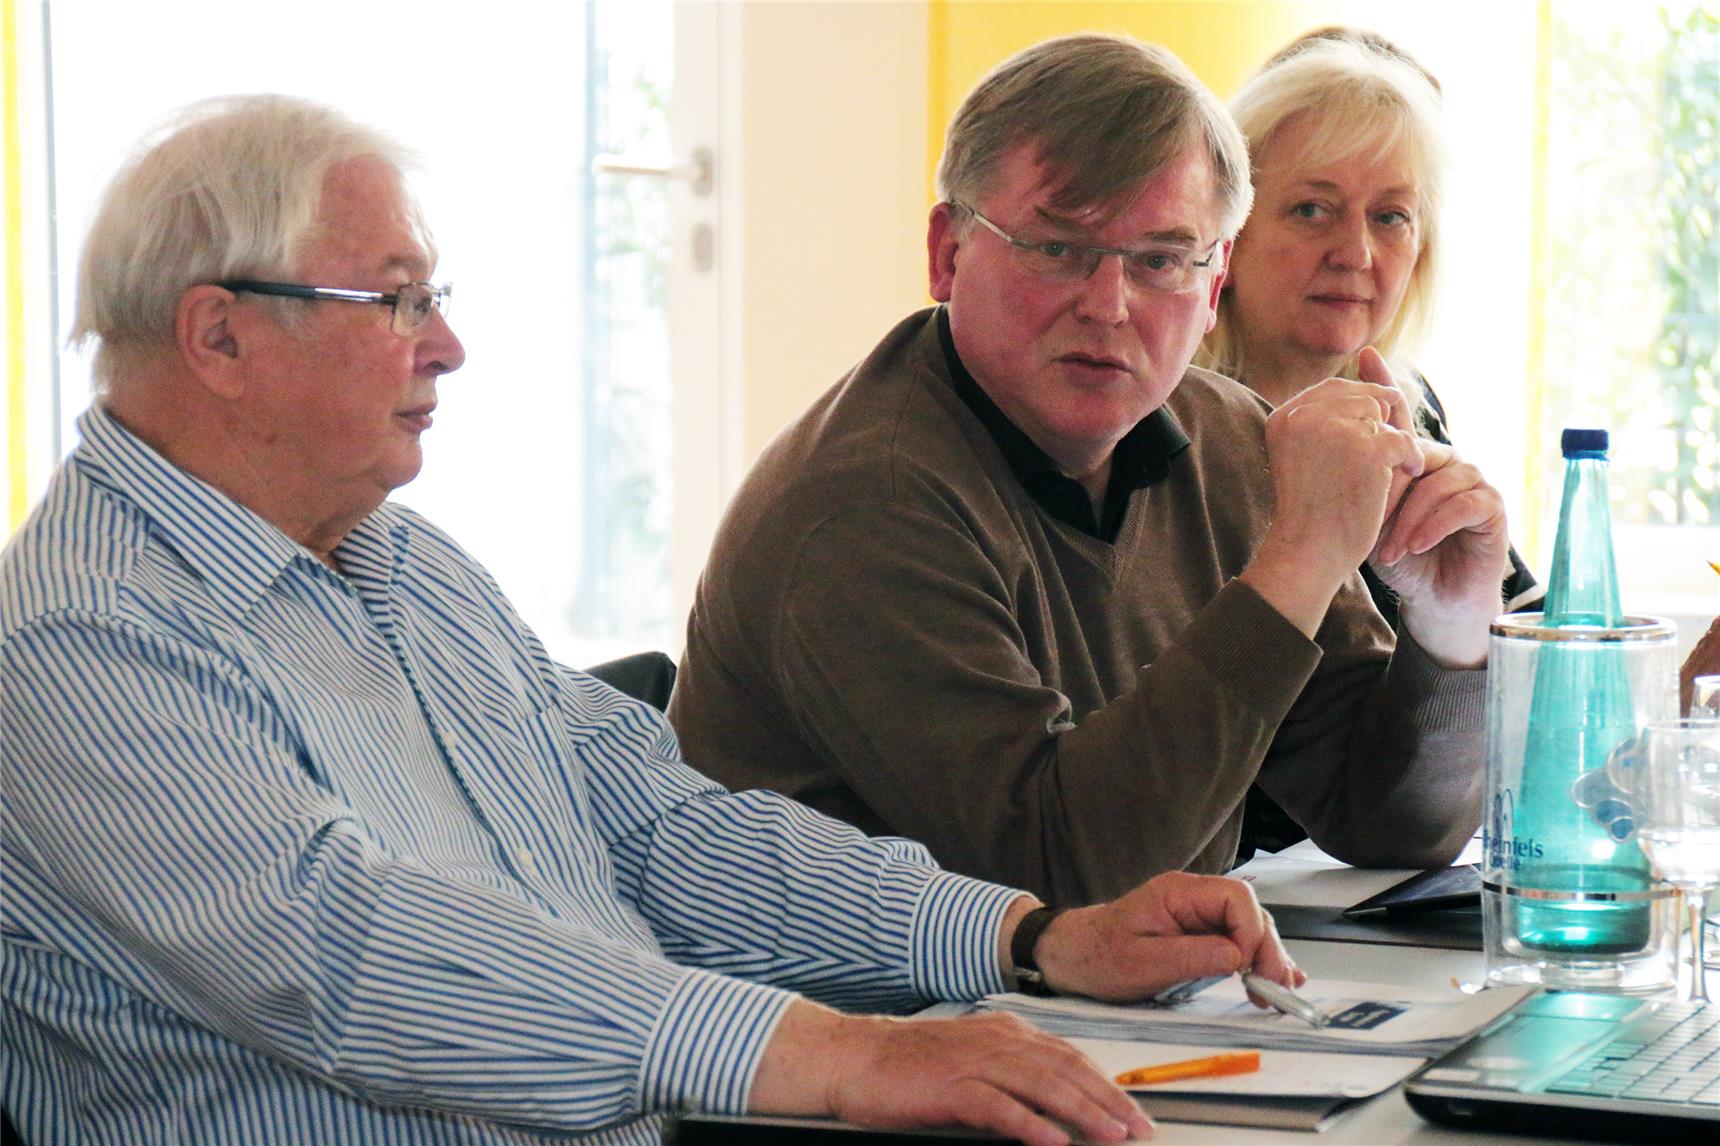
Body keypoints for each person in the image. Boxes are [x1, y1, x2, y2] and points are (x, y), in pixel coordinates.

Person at [0, 94, 1304, 1146]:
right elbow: (352, 956)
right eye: (396, 299)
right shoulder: (80, 641)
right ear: (220, 338)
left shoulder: (403, 564)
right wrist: (839, 1053)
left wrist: (1028, 937)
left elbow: (662, 832)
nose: (446, 346)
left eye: (436, 298)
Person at [668, 33, 1510, 908]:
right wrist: (1299, 560)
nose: (1109, 306)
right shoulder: (863, 506)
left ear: (1213, 281)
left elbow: (1389, 821)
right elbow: (1062, 881)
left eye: (1160, 260)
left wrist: (1450, 629)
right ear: (948, 253)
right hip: (848, 992)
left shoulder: (1228, 441)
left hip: (1125, 988)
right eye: (1057, 249)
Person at [1191, 28, 1541, 856]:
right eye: (1311, 209)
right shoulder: (1170, 432)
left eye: (1390, 217)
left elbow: (1532, 677)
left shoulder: (1406, 406)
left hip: (1392, 875)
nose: (1355, 253)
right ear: (1226, 235)